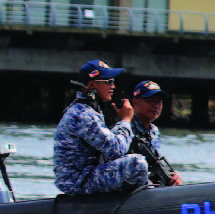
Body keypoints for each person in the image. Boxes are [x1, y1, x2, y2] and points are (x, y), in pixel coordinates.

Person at [53, 59, 149, 196]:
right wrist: (126, 121)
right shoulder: (82, 114)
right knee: (137, 164)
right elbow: (116, 150)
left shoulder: (87, 110)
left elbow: (109, 143)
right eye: (108, 82)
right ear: (92, 85)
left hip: (82, 176)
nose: (113, 86)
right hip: (77, 182)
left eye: (113, 81)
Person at [127, 80, 183, 186]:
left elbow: (156, 161)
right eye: (150, 101)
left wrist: (172, 176)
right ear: (135, 103)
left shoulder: (154, 131)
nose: (155, 106)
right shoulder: (126, 128)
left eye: (158, 101)